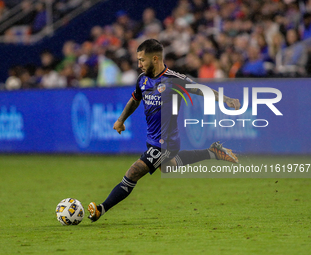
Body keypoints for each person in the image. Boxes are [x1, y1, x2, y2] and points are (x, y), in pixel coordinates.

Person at [87, 39, 240, 222]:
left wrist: (226, 99)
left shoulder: (173, 79)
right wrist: (121, 120)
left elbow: (200, 90)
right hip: (152, 139)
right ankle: (212, 152)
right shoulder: (142, 79)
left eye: (142, 60)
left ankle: (101, 209)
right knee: (168, 167)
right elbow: (135, 99)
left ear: (155, 58)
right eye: (138, 60)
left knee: (134, 172)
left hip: (165, 142)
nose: (139, 64)